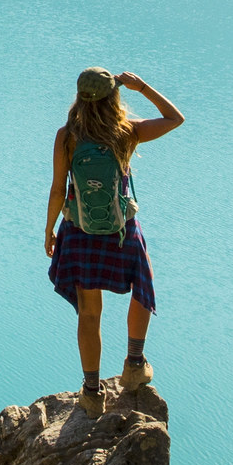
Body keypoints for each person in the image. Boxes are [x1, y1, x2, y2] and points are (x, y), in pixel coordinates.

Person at [42, 67, 183, 415]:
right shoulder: (125, 133)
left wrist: (50, 229)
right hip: (122, 233)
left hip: (79, 232)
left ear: (79, 97)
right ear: (113, 98)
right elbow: (174, 118)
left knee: (89, 314)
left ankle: (92, 393)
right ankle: (134, 365)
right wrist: (143, 86)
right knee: (142, 289)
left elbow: (59, 188)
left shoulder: (66, 137)